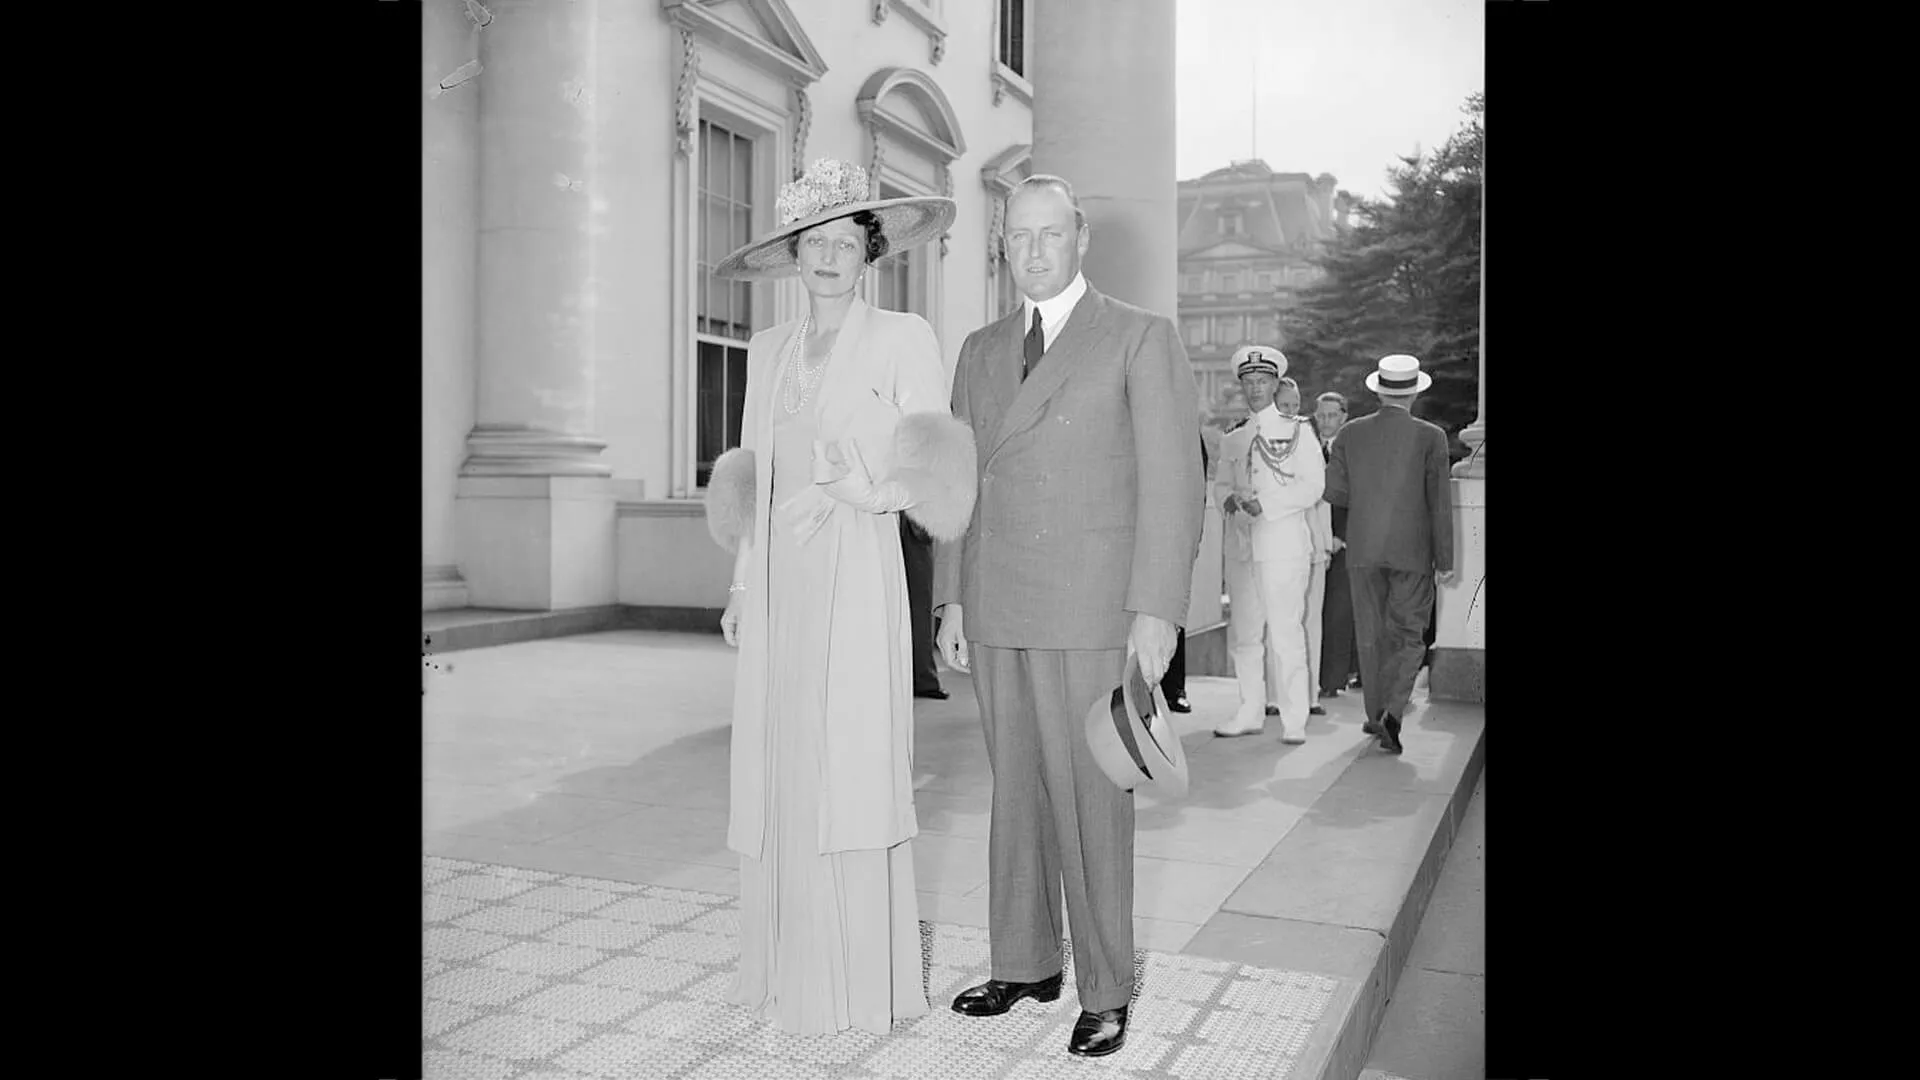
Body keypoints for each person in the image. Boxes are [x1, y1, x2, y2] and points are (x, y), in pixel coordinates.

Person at [702, 157, 977, 1035]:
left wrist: (864, 493)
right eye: (810, 242)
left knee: (848, 764)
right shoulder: (768, 348)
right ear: (794, 254)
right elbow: (749, 469)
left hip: (858, 571)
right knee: (782, 762)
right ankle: (785, 972)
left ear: (870, 250)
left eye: (842, 241)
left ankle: (856, 984)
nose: (826, 256)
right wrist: (743, 581)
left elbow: (933, 469)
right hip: (780, 582)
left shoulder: (904, 337)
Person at [932, 174, 1203, 1059]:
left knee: (1091, 800)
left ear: (1081, 236)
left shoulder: (1136, 335)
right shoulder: (977, 349)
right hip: (1001, 599)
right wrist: (952, 596)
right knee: (1015, 795)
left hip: (1091, 610)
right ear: (1001, 243)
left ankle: (1106, 985)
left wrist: (1157, 610)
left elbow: (1175, 483)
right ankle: (1025, 961)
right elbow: (954, 482)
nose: (1035, 250)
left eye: (1052, 233)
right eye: (1020, 235)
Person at [1325, 354, 1455, 755]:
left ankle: (1376, 711)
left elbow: (1336, 494)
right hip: (1413, 551)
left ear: (1379, 390)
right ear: (1414, 393)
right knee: (1408, 634)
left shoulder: (1349, 434)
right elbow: (1440, 503)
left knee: (1370, 634)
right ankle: (1393, 712)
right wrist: (1446, 560)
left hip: (1363, 549)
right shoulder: (1432, 437)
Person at [1212, 348, 1325, 744]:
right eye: (1249, 382)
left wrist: (1267, 506)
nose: (1255, 388)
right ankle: (1249, 710)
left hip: (1282, 547)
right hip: (1242, 549)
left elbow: (1314, 486)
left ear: (1276, 384)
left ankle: (1294, 719)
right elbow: (1222, 488)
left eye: (1263, 381)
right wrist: (1234, 506)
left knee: (1286, 633)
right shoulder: (1234, 437)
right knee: (1245, 636)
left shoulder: (1298, 431)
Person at [1158, 432, 1210, 713]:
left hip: (1171, 536)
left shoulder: (1184, 426)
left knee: (1172, 612)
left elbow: (1197, 488)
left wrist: (1192, 536)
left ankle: (1174, 689)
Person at [1312, 392, 1359, 698]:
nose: (1326, 421)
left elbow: (1360, 495)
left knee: (1338, 612)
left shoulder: (1354, 450)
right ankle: (1317, 677)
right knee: (1315, 611)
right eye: (1321, 415)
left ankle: (1332, 680)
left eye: (1332, 415)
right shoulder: (1308, 447)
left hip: (1345, 541)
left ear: (1343, 417)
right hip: (1313, 540)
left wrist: (1341, 535)